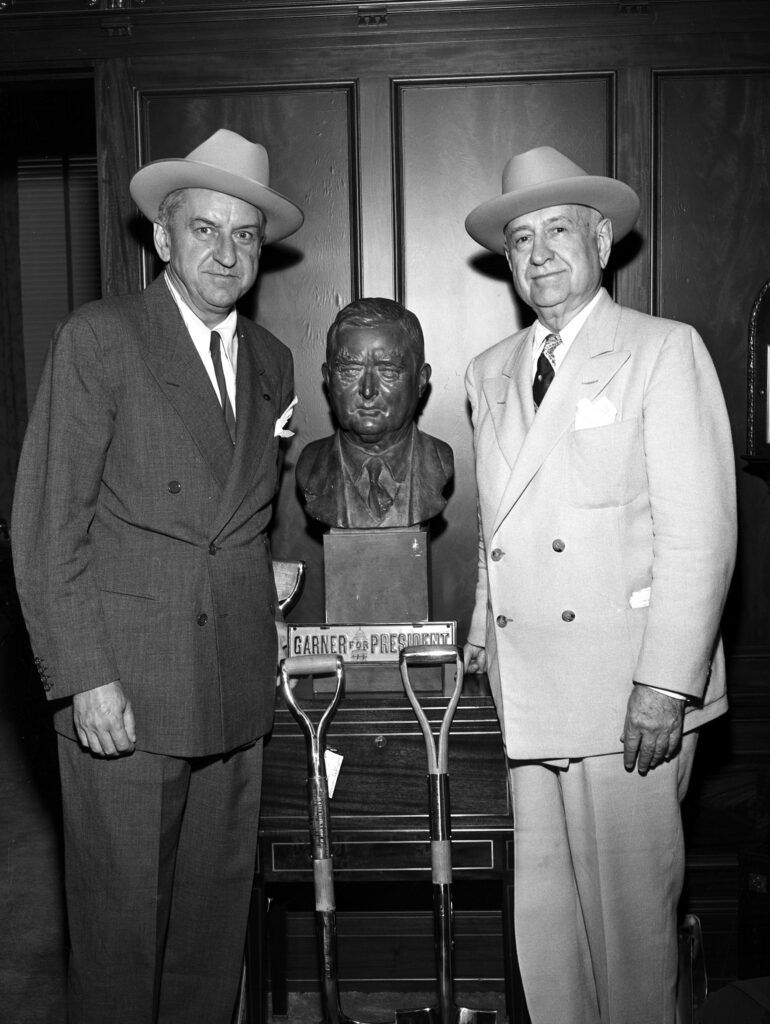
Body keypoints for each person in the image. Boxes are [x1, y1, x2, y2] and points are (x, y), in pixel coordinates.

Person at [11, 128, 303, 1024]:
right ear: (163, 238)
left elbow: (255, 523)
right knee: (121, 938)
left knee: (211, 941)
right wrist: (85, 678)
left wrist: (275, 599)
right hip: (127, 692)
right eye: (205, 230)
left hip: (234, 691)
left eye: (245, 235)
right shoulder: (101, 340)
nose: (227, 251)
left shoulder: (273, 363)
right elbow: (44, 528)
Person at [462, 146, 736, 1024]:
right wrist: (479, 639)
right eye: (519, 239)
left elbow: (701, 535)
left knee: (631, 944)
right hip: (528, 691)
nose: (538, 254)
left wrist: (665, 686)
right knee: (545, 939)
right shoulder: (488, 369)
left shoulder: (662, 351)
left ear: (603, 241)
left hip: (627, 695)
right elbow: (495, 532)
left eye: (558, 232)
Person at [296, 297, 453, 528]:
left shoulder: (439, 462)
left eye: (388, 371)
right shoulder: (311, 467)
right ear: (328, 380)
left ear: (420, 381)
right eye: (350, 371)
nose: (367, 390)